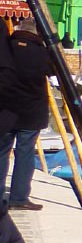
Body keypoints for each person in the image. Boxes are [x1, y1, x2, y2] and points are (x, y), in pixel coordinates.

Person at [0, 17, 51, 211]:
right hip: (32, 111)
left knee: (2, 152)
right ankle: (19, 197)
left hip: (6, 108)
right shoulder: (42, 52)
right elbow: (52, 72)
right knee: (25, 153)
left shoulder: (7, 48)